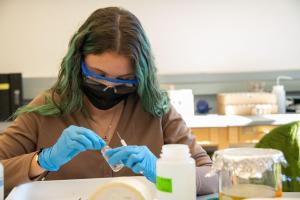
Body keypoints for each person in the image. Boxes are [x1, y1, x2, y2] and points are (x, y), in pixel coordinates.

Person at [0, 7, 218, 196]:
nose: (110, 88)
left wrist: (164, 172)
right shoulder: (47, 107)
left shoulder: (156, 109)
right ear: (78, 62)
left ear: (140, 75)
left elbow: (212, 177)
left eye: (124, 80)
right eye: (97, 75)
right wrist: (42, 161)